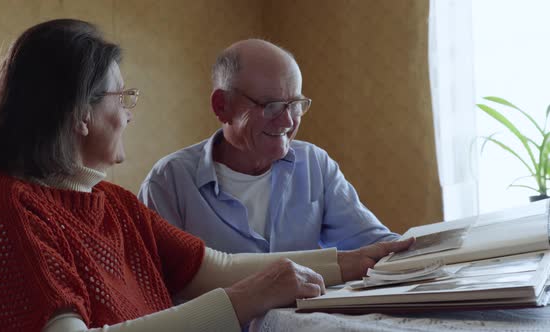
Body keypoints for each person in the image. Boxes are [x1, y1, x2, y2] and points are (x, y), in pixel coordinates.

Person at [0, 19, 413, 332]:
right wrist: (243, 300)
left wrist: (353, 260)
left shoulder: (112, 203)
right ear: (80, 114)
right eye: (123, 98)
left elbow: (211, 266)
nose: (129, 116)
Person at [138, 39, 400, 254]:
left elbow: (376, 244)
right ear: (222, 106)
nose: (287, 121)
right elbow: (159, 292)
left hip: (303, 320)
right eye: (270, 106)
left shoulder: (314, 164)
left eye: (295, 104)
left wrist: (433, 251)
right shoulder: (168, 183)